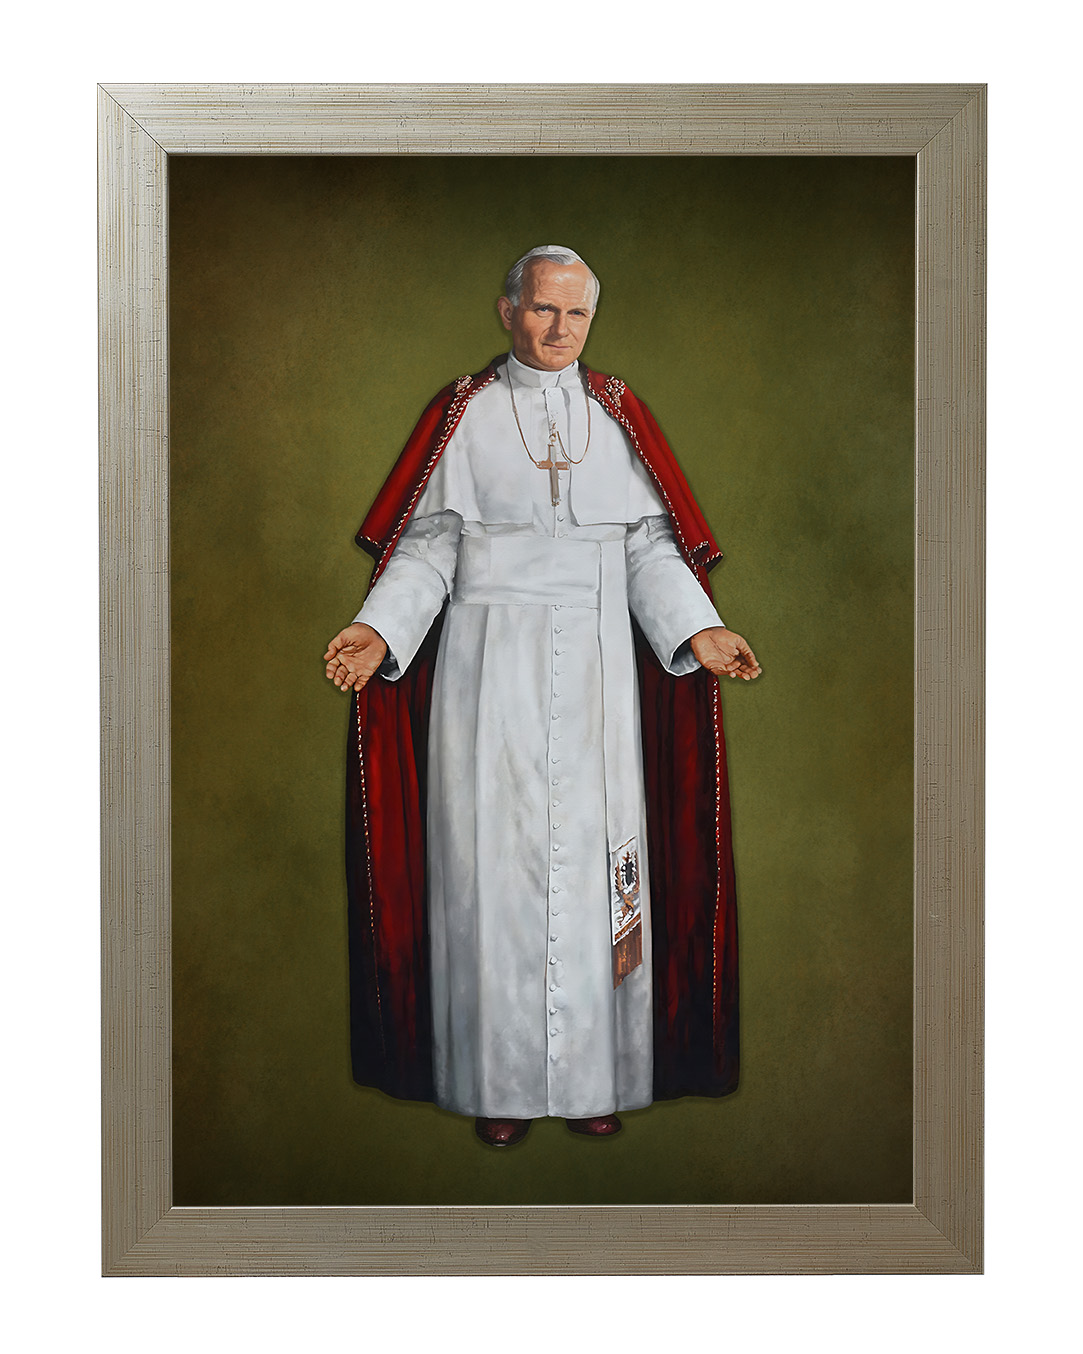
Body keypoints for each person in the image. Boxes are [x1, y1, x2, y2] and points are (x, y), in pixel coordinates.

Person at [324, 245, 760, 1148]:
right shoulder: (464, 414)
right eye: (542, 310)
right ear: (507, 311)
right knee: (492, 874)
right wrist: (379, 630)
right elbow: (427, 550)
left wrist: (697, 629)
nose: (560, 329)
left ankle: (597, 1077)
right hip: (486, 675)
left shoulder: (616, 413)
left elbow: (648, 550)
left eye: (577, 313)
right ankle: (500, 1083)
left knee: (605, 870)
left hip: (600, 673)